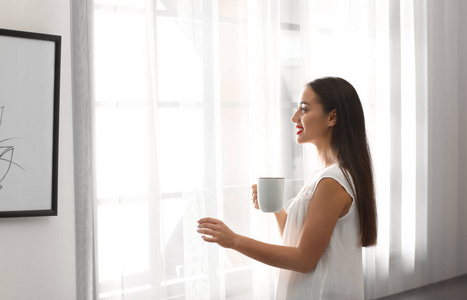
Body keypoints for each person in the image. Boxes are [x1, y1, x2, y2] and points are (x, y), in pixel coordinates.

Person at [197, 77, 377, 299]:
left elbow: (303, 259)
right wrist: (275, 208)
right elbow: (297, 242)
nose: (295, 118)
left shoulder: (332, 181)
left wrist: (234, 240)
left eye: (304, 109)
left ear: (332, 117)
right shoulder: (324, 175)